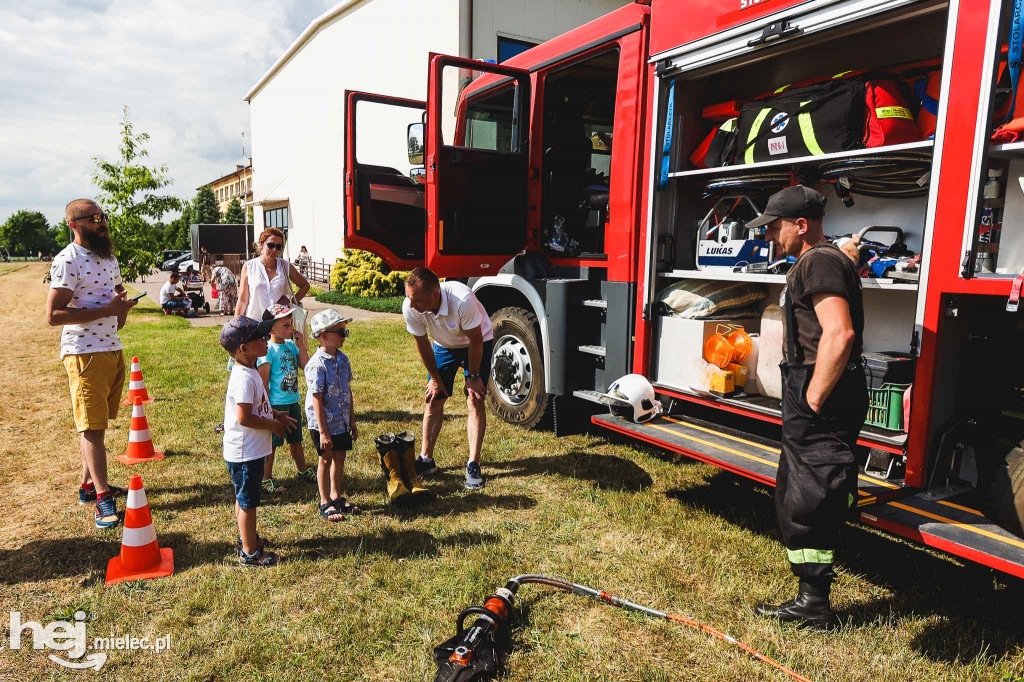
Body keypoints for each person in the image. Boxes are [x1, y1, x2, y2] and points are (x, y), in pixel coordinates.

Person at [746, 185, 867, 629]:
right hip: (820, 385)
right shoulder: (828, 259)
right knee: (802, 486)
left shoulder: (816, 261)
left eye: (776, 228)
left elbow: (840, 334)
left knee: (808, 496)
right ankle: (809, 594)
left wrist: (812, 398)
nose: (771, 237)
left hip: (820, 392)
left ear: (801, 225)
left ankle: (813, 604)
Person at [45, 199, 138, 528]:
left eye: (104, 217)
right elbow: (53, 315)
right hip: (83, 353)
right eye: (95, 219)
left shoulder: (108, 258)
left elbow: (116, 301)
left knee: (99, 423)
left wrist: (122, 308)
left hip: (112, 348)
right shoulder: (67, 261)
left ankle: (88, 486)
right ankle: (102, 499)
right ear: (75, 224)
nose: (103, 223)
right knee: (92, 428)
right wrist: (107, 311)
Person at [403, 267, 492, 490]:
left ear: (435, 295)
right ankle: (426, 459)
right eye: (409, 299)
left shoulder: (462, 300)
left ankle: (473, 464)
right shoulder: (411, 305)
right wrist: (435, 378)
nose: (411, 305)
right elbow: (422, 343)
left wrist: (472, 377)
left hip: (477, 342)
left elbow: (476, 340)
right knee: (434, 397)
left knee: (475, 399)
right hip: (444, 345)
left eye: (417, 300)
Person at [220, 315, 297, 567]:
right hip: (245, 453)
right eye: (259, 337)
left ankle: (247, 538)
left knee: (245, 499)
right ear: (243, 348)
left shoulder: (251, 370)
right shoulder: (243, 376)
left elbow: (257, 406)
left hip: (249, 451)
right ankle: (250, 552)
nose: (265, 339)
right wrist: (272, 425)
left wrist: (275, 414)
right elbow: (243, 417)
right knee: (248, 502)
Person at [305, 309, 359, 522]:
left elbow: (347, 390)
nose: (344, 336)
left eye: (345, 332)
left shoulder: (344, 360)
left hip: (341, 420)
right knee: (325, 459)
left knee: (340, 457)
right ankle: (325, 501)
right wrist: (324, 432)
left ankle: (336, 496)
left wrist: (352, 419)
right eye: (340, 332)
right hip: (323, 423)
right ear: (323, 336)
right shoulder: (316, 365)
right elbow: (316, 399)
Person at [257, 304, 315, 494]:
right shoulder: (268, 350)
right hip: (276, 404)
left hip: (292, 401)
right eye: (286, 325)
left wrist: (301, 344)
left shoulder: (291, 346)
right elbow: (263, 381)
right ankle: (265, 478)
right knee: (272, 444)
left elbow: (306, 367)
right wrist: (266, 407)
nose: (291, 328)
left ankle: (302, 470)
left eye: (291, 324)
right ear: (272, 328)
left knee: (296, 439)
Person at [235, 227, 310, 322]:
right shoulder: (249, 266)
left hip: (279, 325)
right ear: (261, 244)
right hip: (254, 323)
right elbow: (242, 301)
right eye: (271, 245)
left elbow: (305, 285)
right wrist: (236, 325)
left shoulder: (285, 266)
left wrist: (291, 301)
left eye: (279, 247)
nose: (275, 249)